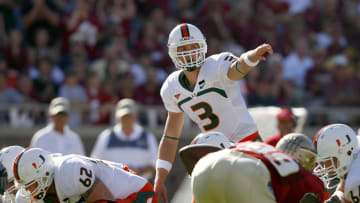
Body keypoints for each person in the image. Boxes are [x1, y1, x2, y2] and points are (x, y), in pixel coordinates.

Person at [155, 23, 274, 202]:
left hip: (247, 145)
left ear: (202, 46)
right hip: (212, 152)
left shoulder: (217, 65)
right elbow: (171, 136)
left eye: (193, 47)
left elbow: (237, 70)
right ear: (173, 52)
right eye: (183, 48)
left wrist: (251, 58)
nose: (188, 52)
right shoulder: (171, 88)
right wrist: (160, 176)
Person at [179, 132, 325, 203]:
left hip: (204, 170)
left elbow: (187, 152)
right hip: (247, 176)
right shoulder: (311, 183)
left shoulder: (259, 152)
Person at [14, 148, 158, 203]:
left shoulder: (69, 170)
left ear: (44, 174)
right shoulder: (32, 195)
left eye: (31, 184)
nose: (28, 190)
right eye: (26, 186)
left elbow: (105, 201)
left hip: (137, 195)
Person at [91, 98, 158, 180]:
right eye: (124, 117)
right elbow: (95, 162)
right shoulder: (106, 135)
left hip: (141, 185)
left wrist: (139, 172)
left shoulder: (147, 136)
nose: (126, 120)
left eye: (129, 116)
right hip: (112, 186)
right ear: (117, 117)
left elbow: (155, 162)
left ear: (135, 116)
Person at [313, 123, 360, 203]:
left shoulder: (356, 177)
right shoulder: (354, 153)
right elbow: (343, 190)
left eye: (329, 160)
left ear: (347, 153)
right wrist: (337, 198)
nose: (325, 166)